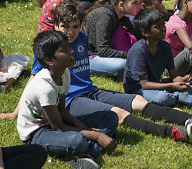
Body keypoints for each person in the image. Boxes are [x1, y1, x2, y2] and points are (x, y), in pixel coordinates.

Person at [36, 0, 192, 144]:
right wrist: (16, 112)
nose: (71, 32)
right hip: (71, 101)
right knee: (117, 112)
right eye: (65, 27)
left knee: (138, 101)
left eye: (75, 26)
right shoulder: (50, 49)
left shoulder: (82, 39)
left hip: (90, 90)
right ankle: (171, 132)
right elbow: (35, 80)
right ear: (55, 26)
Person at [18, 30, 118, 168]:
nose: (71, 51)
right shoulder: (44, 87)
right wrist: (96, 136)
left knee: (110, 117)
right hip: (37, 132)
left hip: (56, 120)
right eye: (64, 50)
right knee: (77, 140)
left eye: (69, 47)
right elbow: (58, 127)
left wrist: (86, 129)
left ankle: (85, 154)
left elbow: (62, 110)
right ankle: (84, 150)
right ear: (49, 60)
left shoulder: (64, 73)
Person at [124, 8, 192, 107]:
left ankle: (180, 102)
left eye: (163, 24)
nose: (163, 28)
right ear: (145, 33)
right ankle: (181, 98)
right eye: (157, 27)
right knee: (163, 98)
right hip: (138, 89)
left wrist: (183, 80)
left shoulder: (165, 46)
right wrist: (172, 86)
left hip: (157, 84)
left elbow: (174, 76)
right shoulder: (138, 51)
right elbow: (144, 84)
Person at [83, 0, 141, 79]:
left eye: (139, 2)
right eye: (135, 3)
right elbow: (103, 50)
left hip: (106, 57)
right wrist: (131, 55)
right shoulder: (105, 16)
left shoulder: (123, 19)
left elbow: (139, 40)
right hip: (89, 58)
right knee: (123, 65)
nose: (140, 6)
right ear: (121, 4)